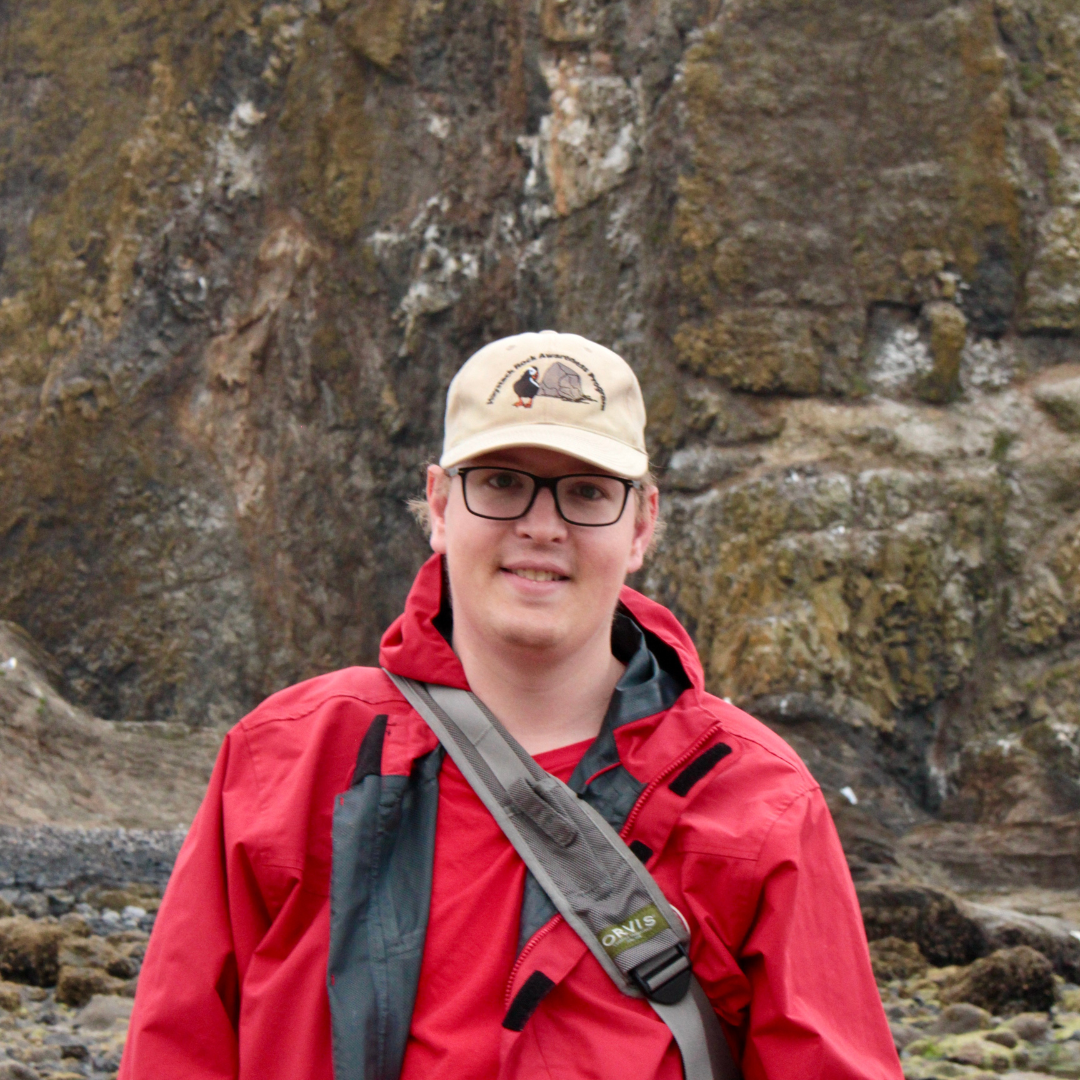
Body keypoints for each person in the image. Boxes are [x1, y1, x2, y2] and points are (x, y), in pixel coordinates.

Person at [119, 330, 902, 1080]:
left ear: (641, 524)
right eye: (501, 482)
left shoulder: (758, 803)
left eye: (587, 492)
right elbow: (176, 1050)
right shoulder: (284, 761)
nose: (540, 525)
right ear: (438, 503)